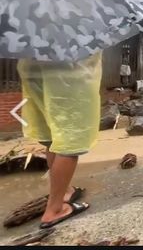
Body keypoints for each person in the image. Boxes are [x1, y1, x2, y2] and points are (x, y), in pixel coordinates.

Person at [17, 51, 103, 229]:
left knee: (52, 135)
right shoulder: (75, 23)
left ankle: (65, 191)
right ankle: (55, 209)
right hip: (68, 72)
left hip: (32, 66)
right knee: (70, 141)